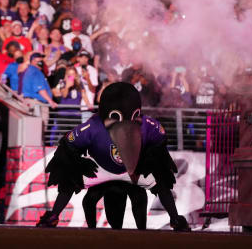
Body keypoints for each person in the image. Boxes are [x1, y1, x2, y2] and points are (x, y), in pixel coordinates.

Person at [36, 82, 189, 231]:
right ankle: (54, 215)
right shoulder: (93, 126)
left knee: (161, 179)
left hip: (133, 170)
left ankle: (175, 218)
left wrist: (149, 158)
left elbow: (160, 140)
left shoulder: (147, 125)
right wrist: (79, 163)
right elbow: (68, 144)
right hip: (99, 169)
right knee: (70, 179)